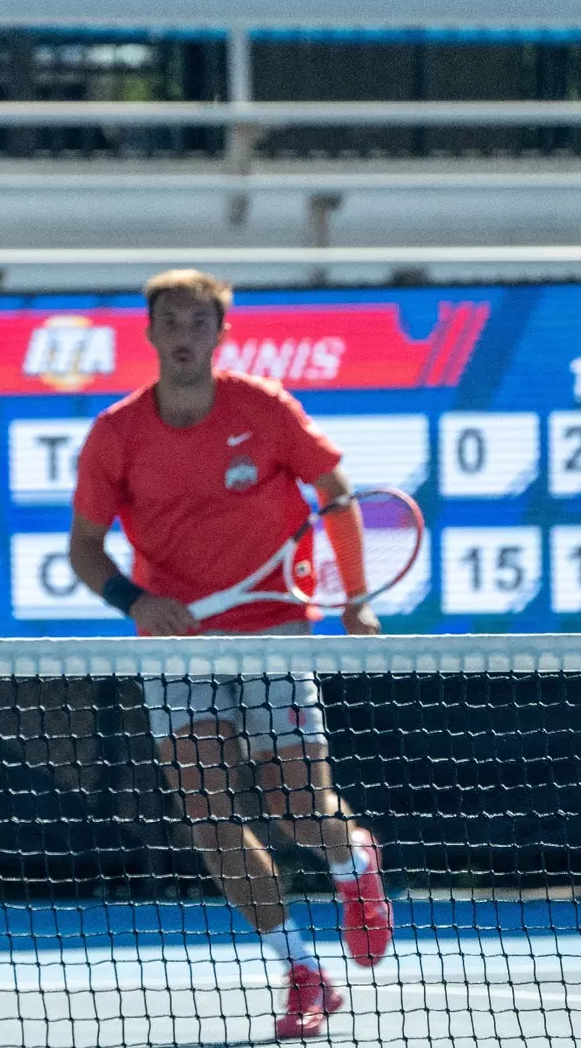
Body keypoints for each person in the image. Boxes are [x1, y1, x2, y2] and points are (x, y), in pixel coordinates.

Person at [68, 269, 394, 1041]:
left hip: (274, 630)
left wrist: (355, 599)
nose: (183, 334)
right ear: (149, 335)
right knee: (209, 818)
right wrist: (136, 602)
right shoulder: (116, 433)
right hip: (175, 647)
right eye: (169, 321)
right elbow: (85, 550)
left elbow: (337, 495)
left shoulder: (266, 411)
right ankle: (302, 971)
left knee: (297, 813)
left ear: (220, 334)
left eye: (197, 322)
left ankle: (353, 863)